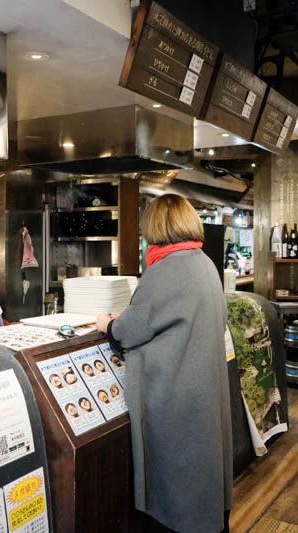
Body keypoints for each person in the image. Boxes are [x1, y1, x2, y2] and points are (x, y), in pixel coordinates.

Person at [95, 194, 233, 533]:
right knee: (203, 479)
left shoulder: (166, 269)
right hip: (202, 393)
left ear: (155, 227)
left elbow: (131, 329)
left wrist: (107, 324)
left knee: (175, 491)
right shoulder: (203, 262)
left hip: (175, 400)